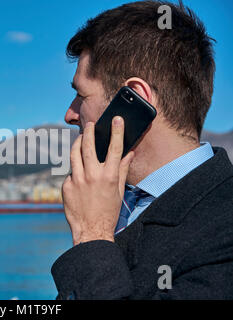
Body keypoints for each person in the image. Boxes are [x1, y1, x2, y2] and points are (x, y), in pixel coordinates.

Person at [52, 0, 233, 299]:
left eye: (81, 95)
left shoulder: (224, 226)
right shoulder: (115, 204)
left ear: (133, 98)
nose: (70, 115)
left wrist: (92, 236)